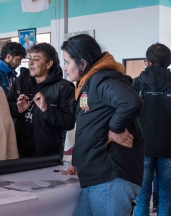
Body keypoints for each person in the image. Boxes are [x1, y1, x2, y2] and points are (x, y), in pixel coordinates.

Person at [61, 34, 144, 215]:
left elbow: (131, 102)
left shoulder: (102, 79)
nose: (65, 67)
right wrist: (78, 161)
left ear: (82, 63)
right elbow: (90, 124)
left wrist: (115, 129)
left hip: (111, 178)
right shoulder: (88, 84)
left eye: (67, 62)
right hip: (97, 176)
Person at [133, 43, 171, 215]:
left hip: (142, 147)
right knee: (166, 194)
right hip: (169, 147)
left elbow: (127, 115)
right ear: (169, 63)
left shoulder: (136, 83)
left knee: (142, 195)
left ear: (148, 62)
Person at [7, 43, 75, 159]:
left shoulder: (63, 88)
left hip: (46, 156)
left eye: (36, 59)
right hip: (18, 153)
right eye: (30, 58)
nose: (30, 62)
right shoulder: (21, 81)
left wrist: (46, 110)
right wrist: (17, 109)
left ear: (49, 64)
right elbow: (7, 107)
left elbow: (69, 122)